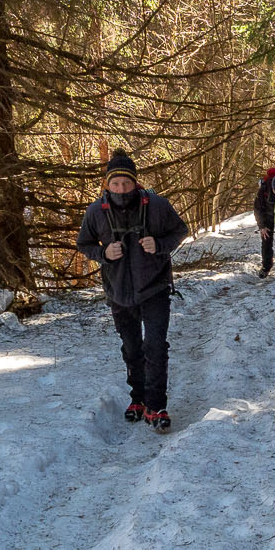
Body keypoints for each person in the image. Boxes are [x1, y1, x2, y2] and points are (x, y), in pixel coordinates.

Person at [76, 150, 189, 432]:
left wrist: (159, 245)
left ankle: (155, 405)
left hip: (155, 288)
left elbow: (180, 230)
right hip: (118, 292)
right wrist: (103, 253)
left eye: (126, 183)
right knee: (131, 348)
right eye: (115, 184)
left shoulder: (157, 206)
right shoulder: (95, 212)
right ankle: (137, 398)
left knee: (154, 346)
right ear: (107, 185)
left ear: (135, 182)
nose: (121, 189)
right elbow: (83, 243)